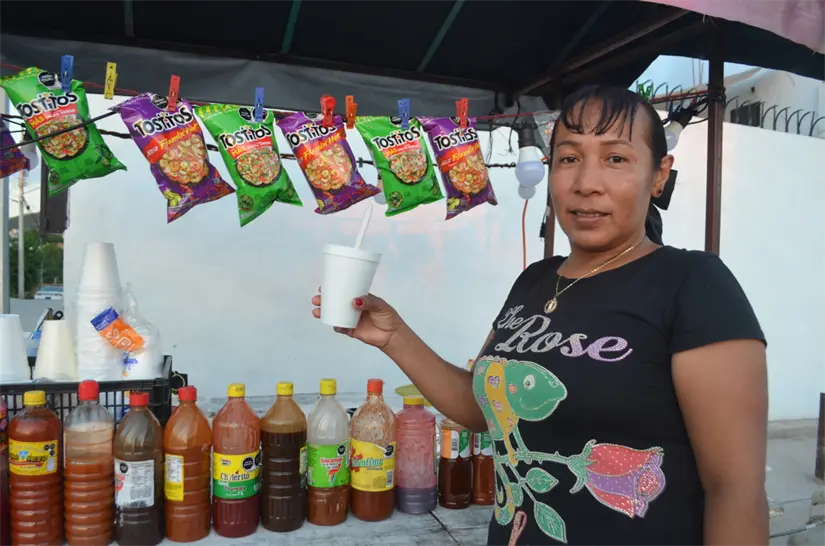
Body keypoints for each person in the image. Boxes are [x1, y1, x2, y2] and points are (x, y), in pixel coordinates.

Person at [312, 85, 768, 546]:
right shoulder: (534, 281)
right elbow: (481, 408)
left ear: (658, 175)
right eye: (569, 158)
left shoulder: (693, 284)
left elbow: (736, 491)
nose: (586, 182)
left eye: (615, 159)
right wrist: (394, 337)